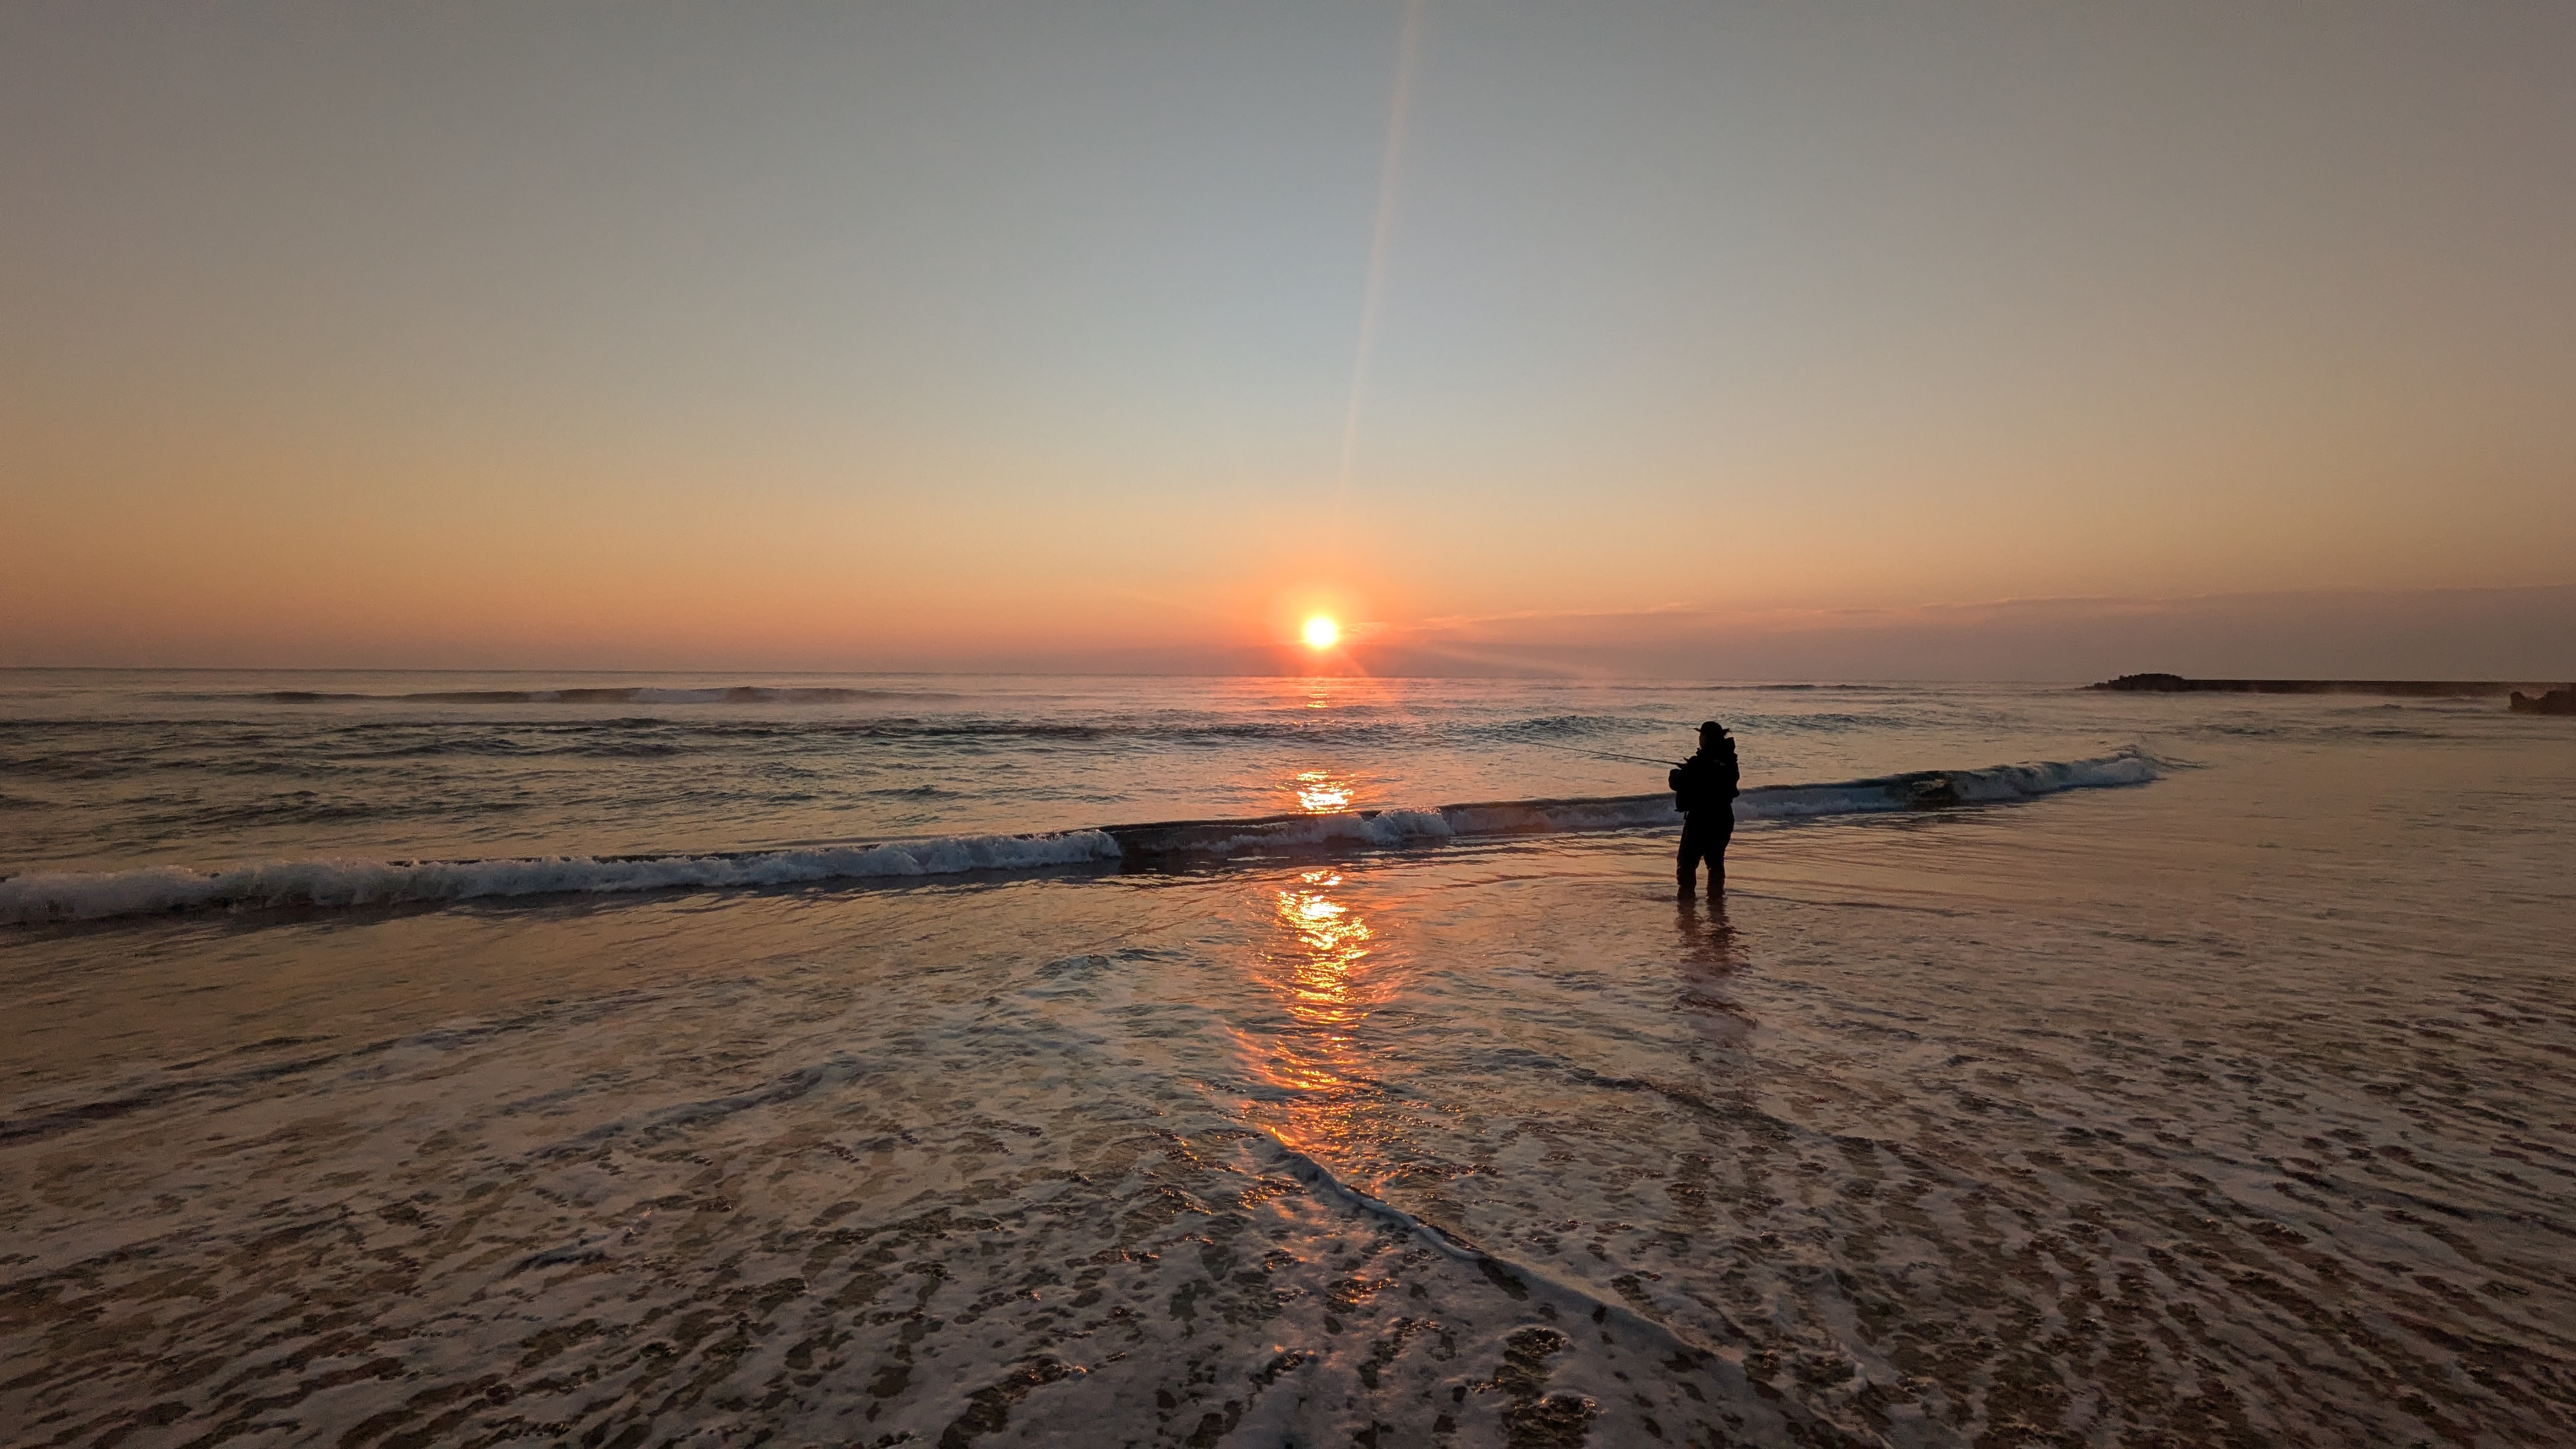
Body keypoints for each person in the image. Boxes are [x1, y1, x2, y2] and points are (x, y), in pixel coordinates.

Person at [1669, 721, 1740, 895]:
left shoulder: (1698, 762)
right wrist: (1690, 768)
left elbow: (1677, 782)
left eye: (1701, 735)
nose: (1699, 738)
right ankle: (1716, 900)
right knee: (1715, 861)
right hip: (1724, 818)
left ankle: (1687, 905)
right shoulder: (1730, 760)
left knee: (1687, 862)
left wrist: (1676, 772)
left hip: (1701, 819)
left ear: (1706, 738)